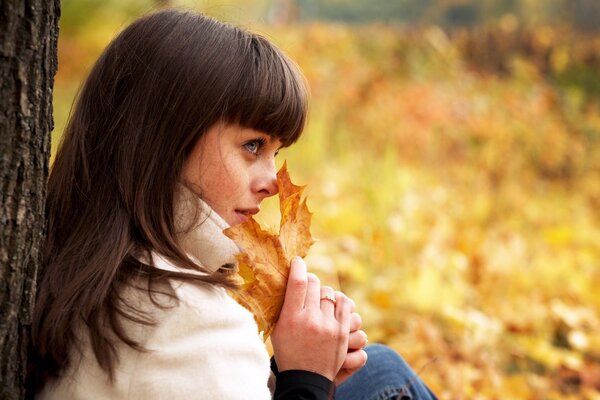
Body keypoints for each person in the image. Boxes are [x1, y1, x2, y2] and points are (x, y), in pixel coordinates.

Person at [28, 9, 438, 400]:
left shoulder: (86, 260)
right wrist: (308, 380)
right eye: (252, 146)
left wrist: (292, 372)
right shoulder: (186, 322)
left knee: (380, 370)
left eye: (275, 154)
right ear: (166, 139)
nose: (272, 183)